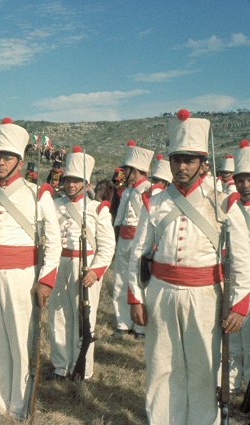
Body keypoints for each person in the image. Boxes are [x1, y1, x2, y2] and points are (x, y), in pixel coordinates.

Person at [127, 110, 250, 424]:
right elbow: (138, 253)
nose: (181, 167)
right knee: (160, 367)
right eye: (177, 159)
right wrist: (136, 297)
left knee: (201, 368)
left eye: (189, 160)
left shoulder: (223, 203)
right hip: (160, 292)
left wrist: (239, 303)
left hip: (205, 296)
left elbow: (241, 258)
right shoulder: (155, 202)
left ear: (202, 164)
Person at [0, 120, 61, 424]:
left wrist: (46, 280)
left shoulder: (38, 193)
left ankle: (20, 408)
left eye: (7, 158)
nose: (0, 162)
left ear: (19, 161)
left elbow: (55, 241)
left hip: (23, 276)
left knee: (20, 342)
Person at [49, 146, 115, 380]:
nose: (70, 185)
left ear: (85, 183)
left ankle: (83, 370)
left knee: (84, 320)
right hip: (58, 265)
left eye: (76, 181)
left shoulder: (98, 209)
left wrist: (96, 271)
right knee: (57, 318)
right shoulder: (54, 205)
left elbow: (107, 246)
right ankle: (60, 366)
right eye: (67, 180)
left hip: (84, 268)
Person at [111, 139, 153, 339]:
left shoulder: (149, 190)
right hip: (124, 240)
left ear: (134, 170)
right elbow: (119, 219)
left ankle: (141, 326)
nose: (123, 173)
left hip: (141, 239)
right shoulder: (127, 191)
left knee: (139, 280)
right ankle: (122, 322)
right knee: (120, 280)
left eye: (126, 169)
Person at [228, 139, 250, 393]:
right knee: (233, 339)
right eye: (240, 179)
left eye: (249, 179)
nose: (245, 185)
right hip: (236, 281)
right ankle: (230, 386)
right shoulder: (230, 208)